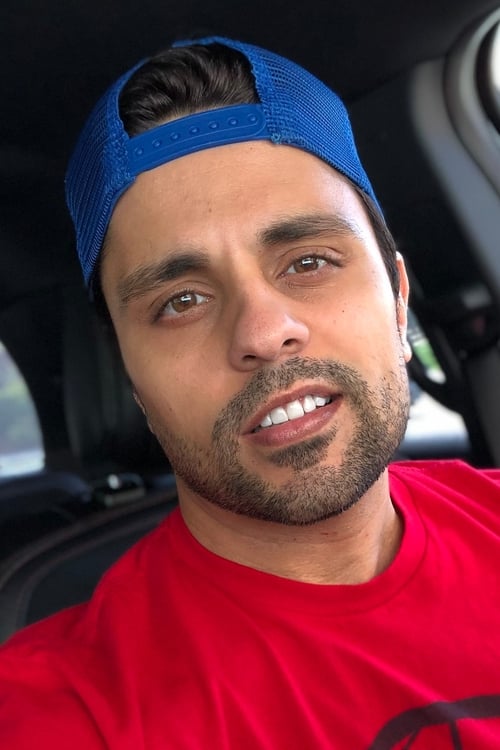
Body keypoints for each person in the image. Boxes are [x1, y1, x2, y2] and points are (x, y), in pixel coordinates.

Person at [0, 35, 499, 749]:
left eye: (309, 261)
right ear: (132, 378)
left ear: (397, 296)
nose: (263, 332)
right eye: (181, 301)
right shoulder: (65, 710)